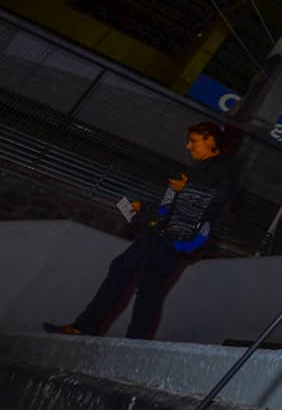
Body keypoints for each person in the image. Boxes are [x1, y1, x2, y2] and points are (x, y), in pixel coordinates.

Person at [43, 122, 238, 339]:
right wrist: (144, 207)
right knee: (135, 279)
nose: (188, 147)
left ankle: (107, 333)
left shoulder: (224, 167)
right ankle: (106, 332)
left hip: (174, 240)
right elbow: (172, 203)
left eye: (193, 141)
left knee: (144, 286)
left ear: (210, 140)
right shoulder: (198, 169)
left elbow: (220, 199)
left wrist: (188, 189)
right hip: (160, 235)